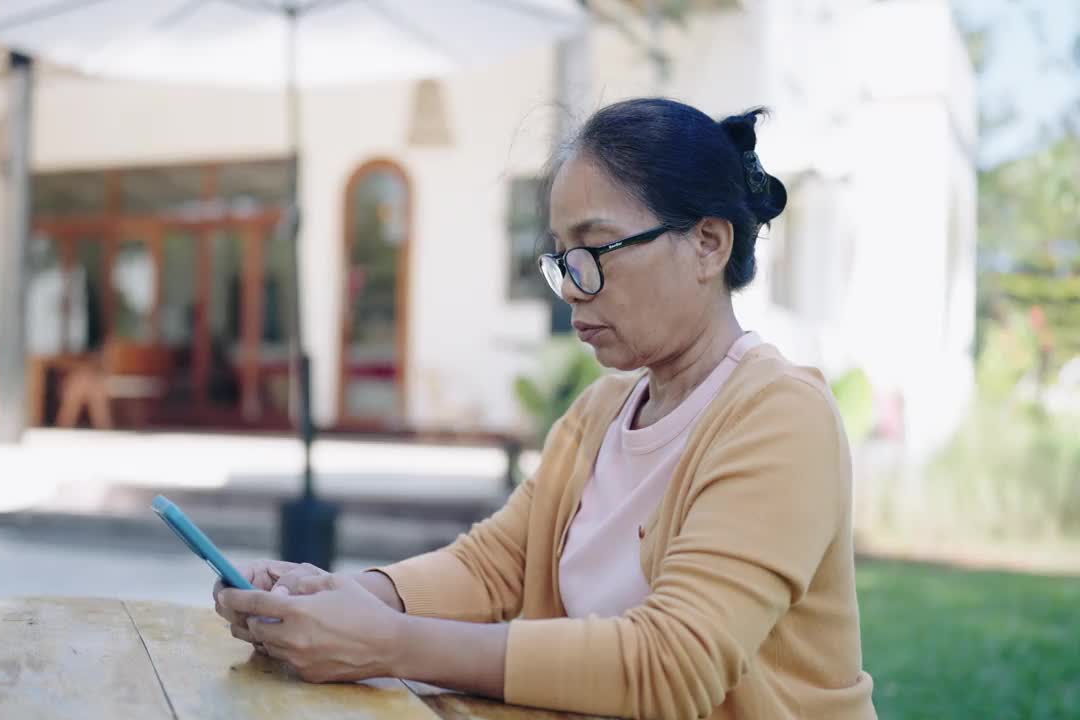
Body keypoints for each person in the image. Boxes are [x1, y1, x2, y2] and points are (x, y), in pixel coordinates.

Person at [215, 97, 877, 720]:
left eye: (595, 251)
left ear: (708, 243)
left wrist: (389, 643)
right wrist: (338, 599)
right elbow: (494, 565)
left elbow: (676, 662)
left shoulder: (781, 417)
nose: (572, 291)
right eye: (562, 259)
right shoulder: (606, 409)